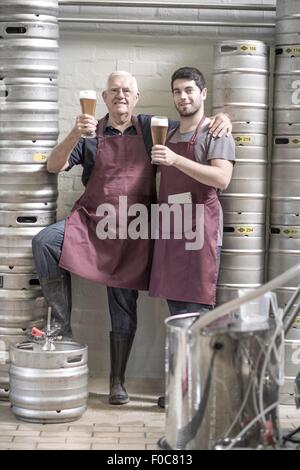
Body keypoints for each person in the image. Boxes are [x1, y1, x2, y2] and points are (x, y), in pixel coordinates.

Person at [32, 71, 232, 406]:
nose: (120, 95)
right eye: (114, 91)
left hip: (135, 229)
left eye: (127, 90)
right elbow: (53, 165)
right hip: (93, 221)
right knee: (45, 242)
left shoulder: (153, 127)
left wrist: (225, 118)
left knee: (123, 305)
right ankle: (62, 327)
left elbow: (193, 118)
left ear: (136, 97)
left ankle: (117, 382)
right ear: (104, 96)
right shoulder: (90, 132)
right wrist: (73, 133)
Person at [148, 67, 236, 408]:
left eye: (189, 90)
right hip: (172, 232)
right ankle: (180, 392)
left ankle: (197, 398)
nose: (183, 97)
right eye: (177, 92)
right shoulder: (166, 132)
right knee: (177, 318)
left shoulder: (215, 132)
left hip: (200, 233)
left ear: (203, 94)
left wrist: (174, 160)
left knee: (198, 317)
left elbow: (221, 178)